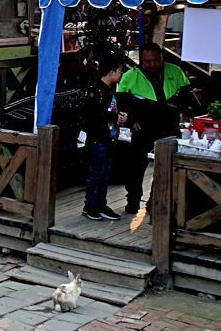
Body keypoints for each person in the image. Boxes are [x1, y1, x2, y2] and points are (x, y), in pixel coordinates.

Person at [116, 41, 191, 213]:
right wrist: (130, 121)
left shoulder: (175, 71)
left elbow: (187, 95)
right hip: (142, 127)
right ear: (141, 60)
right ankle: (133, 200)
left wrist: (178, 104)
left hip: (168, 126)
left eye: (156, 60)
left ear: (161, 57)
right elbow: (122, 104)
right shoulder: (129, 76)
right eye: (147, 61)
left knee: (165, 166)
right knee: (136, 167)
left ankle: (154, 201)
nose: (152, 64)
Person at [78, 52, 129, 221]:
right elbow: (93, 115)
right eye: (120, 71)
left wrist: (119, 117)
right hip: (98, 138)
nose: (122, 74)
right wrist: (114, 117)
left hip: (109, 137)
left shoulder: (109, 90)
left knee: (105, 172)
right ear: (111, 72)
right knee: (97, 172)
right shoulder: (95, 91)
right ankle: (90, 204)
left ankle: (101, 203)